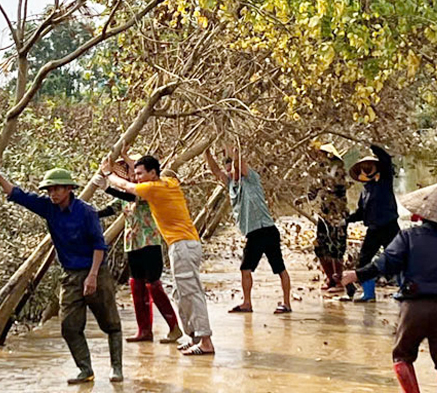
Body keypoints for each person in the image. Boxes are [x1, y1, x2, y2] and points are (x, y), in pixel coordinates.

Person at [341, 183, 437, 393]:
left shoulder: (409, 237)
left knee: (402, 356)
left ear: (420, 215)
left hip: (414, 306)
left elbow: (383, 264)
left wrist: (356, 274)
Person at [0, 166, 123, 384]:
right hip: (70, 275)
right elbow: (19, 195)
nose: (53, 194)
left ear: (69, 189)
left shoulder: (87, 212)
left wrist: (92, 277)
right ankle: (86, 370)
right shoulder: (48, 208)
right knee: (69, 327)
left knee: (110, 322)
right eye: (50, 190)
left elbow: (99, 246)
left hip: (96, 271)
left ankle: (116, 367)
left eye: (57, 189)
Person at [104, 155, 215, 356]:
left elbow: (126, 187)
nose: (136, 178)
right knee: (180, 293)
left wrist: (107, 173)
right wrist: (128, 159)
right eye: (135, 173)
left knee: (190, 292)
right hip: (182, 245)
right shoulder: (168, 182)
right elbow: (137, 177)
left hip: (182, 245)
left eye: (140, 174)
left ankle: (205, 341)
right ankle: (194, 337)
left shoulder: (152, 189)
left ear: (153, 173)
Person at [92, 155, 183, 344]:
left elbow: (129, 195)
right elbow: (113, 208)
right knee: (137, 285)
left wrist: (107, 187)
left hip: (150, 242)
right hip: (132, 244)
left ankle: (174, 327)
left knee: (154, 284)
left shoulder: (146, 190)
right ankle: (144, 331)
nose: (133, 176)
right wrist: (87, 214)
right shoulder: (128, 193)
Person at [204, 145, 292, 314]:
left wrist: (229, 147)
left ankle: (286, 304)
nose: (231, 173)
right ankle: (247, 303)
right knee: (246, 268)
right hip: (253, 233)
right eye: (229, 170)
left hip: (265, 229)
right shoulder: (231, 184)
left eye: (233, 169)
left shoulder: (251, 178)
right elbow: (216, 171)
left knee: (279, 268)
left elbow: (240, 162)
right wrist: (207, 152)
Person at [346, 143, 400, 303]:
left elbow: (386, 160)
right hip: (373, 230)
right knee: (364, 260)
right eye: (362, 169)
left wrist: (371, 145)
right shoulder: (366, 190)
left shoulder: (385, 181)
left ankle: (405, 290)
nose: (365, 171)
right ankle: (369, 294)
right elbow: (361, 213)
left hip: (389, 226)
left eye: (368, 167)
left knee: (398, 259)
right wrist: (346, 220)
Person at [302, 142, 349, 293]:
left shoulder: (339, 171)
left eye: (323, 154)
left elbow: (337, 187)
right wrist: (305, 198)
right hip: (324, 215)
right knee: (321, 247)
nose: (320, 157)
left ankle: (338, 281)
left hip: (337, 215)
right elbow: (313, 192)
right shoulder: (319, 172)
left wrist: (321, 182)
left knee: (336, 248)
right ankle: (330, 279)